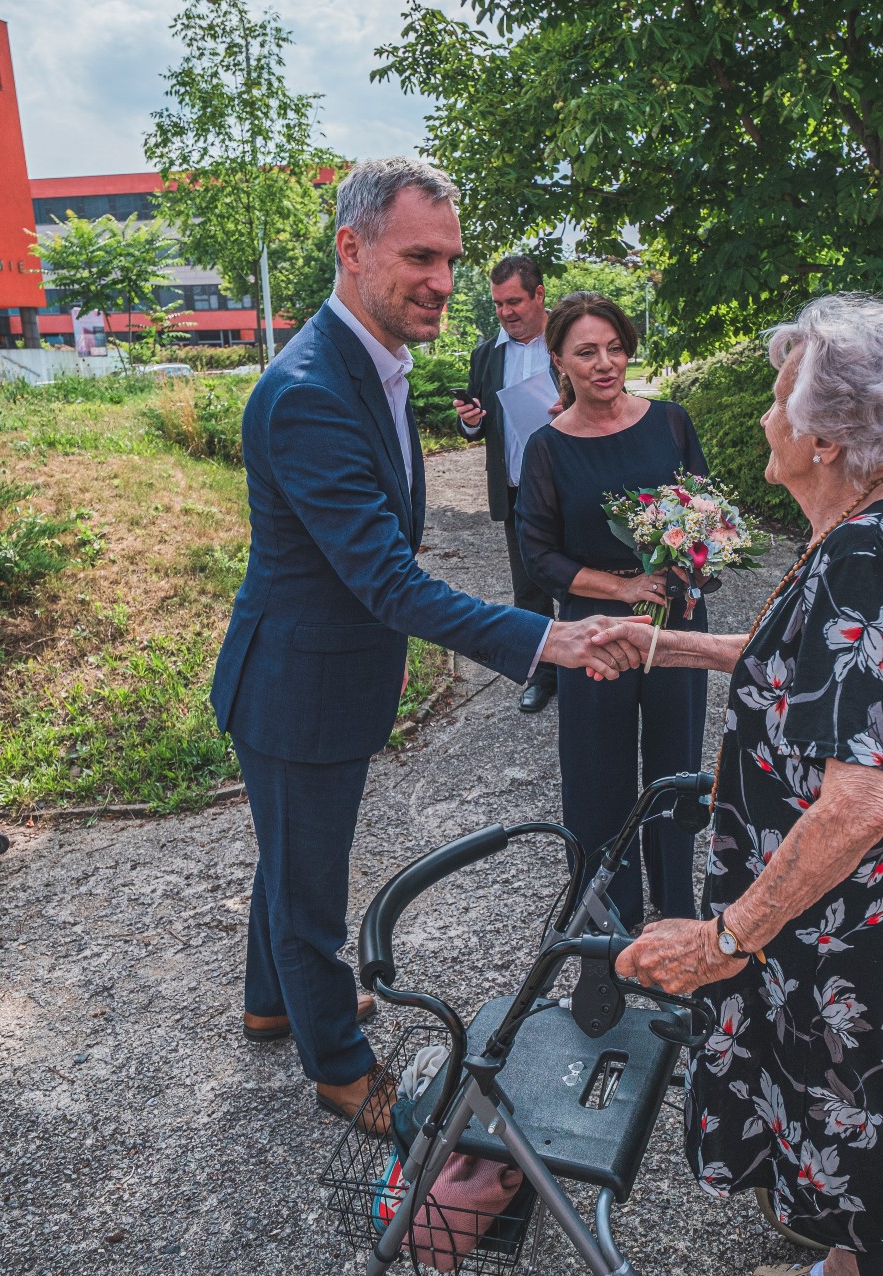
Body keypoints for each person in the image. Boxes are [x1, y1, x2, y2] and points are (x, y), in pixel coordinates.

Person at [208, 157, 647, 1133]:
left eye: (450, 259)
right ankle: (337, 1065)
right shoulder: (311, 389)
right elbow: (390, 582)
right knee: (310, 888)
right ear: (351, 248)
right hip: (295, 688)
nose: (444, 281)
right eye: (419, 257)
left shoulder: (368, 360)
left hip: (316, 675)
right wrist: (550, 638)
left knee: (290, 856)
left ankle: (272, 1002)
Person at [603, 293, 883, 1276]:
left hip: (838, 926)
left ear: (826, 438)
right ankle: (838, 1271)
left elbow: (858, 800)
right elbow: (819, 668)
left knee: (870, 1169)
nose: (763, 417)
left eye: (781, 399)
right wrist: (663, 645)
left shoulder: (866, 549)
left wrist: (721, 939)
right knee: (865, 1125)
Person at [514, 291, 710, 925]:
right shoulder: (546, 448)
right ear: (559, 361)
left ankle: (675, 913)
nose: (605, 363)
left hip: (675, 621)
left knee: (676, 769)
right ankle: (609, 927)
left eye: (615, 348)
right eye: (587, 352)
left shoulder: (671, 422)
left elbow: (705, 514)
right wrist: (622, 589)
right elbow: (538, 556)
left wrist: (687, 563)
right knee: (598, 779)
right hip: (594, 631)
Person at [453, 255, 559, 713]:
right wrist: (470, 421)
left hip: (574, 487)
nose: (505, 312)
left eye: (513, 301)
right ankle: (544, 673)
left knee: (586, 582)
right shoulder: (486, 354)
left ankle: (593, 666)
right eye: (498, 304)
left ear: (539, 295)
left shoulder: (569, 338)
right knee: (530, 588)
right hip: (518, 490)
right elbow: (476, 424)